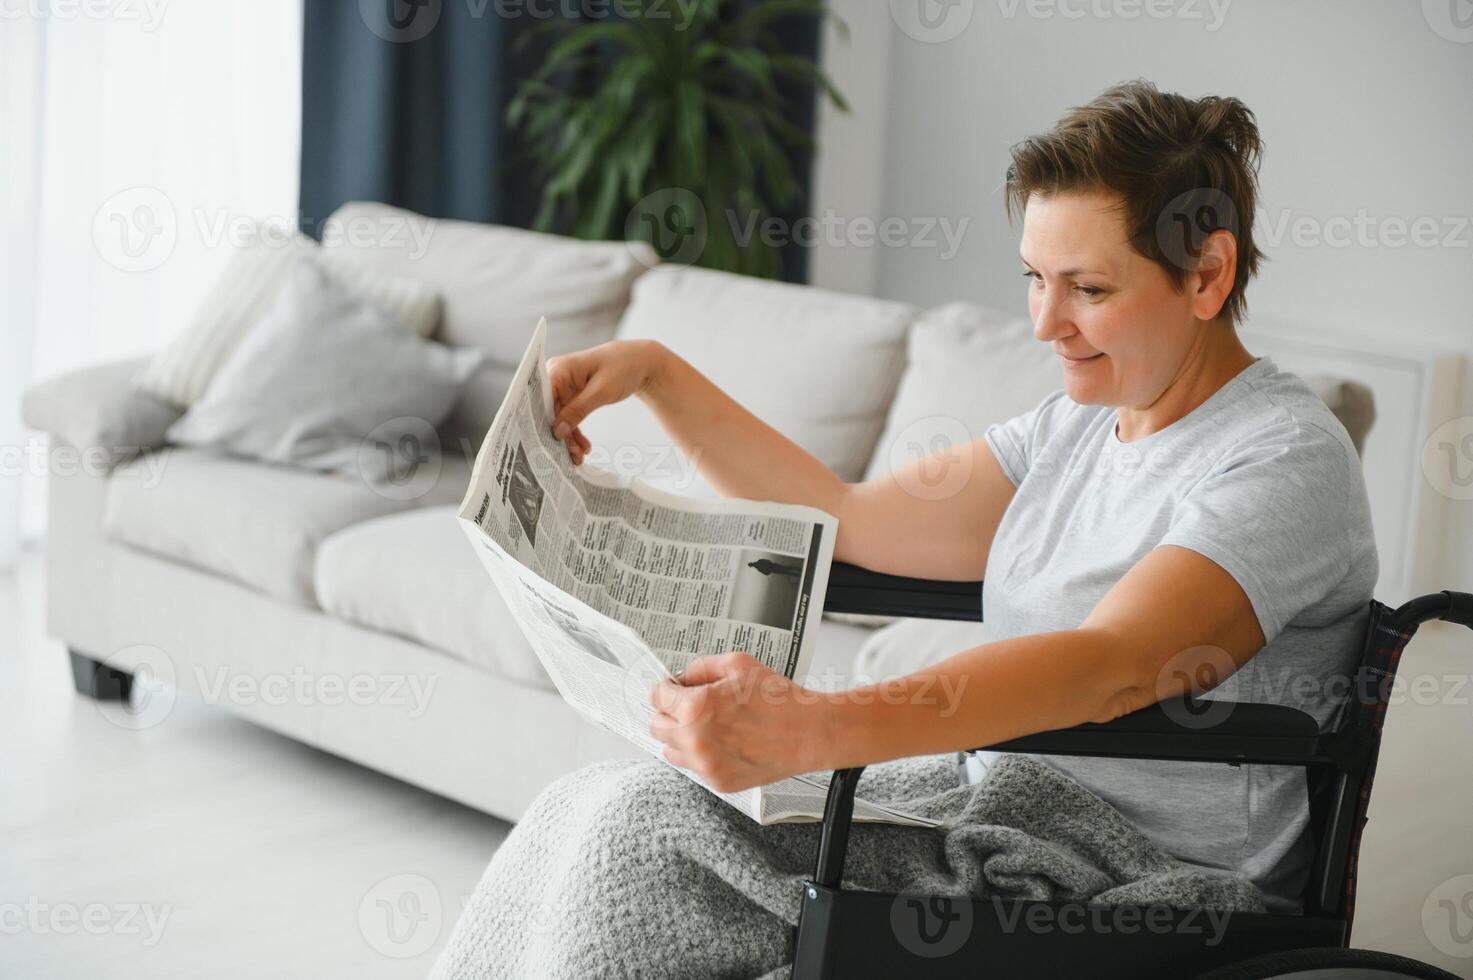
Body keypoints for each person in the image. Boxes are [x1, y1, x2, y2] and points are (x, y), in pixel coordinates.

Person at [436, 79, 1378, 976]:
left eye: (1087, 288)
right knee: (593, 805)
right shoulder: (1074, 425)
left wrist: (823, 729)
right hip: (1000, 804)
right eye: (1033, 279)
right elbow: (846, 521)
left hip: (1135, 874)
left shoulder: (1282, 457)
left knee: (640, 833)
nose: (1046, 323)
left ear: (1206, 272)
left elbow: (1116, 664)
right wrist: (654, 375)